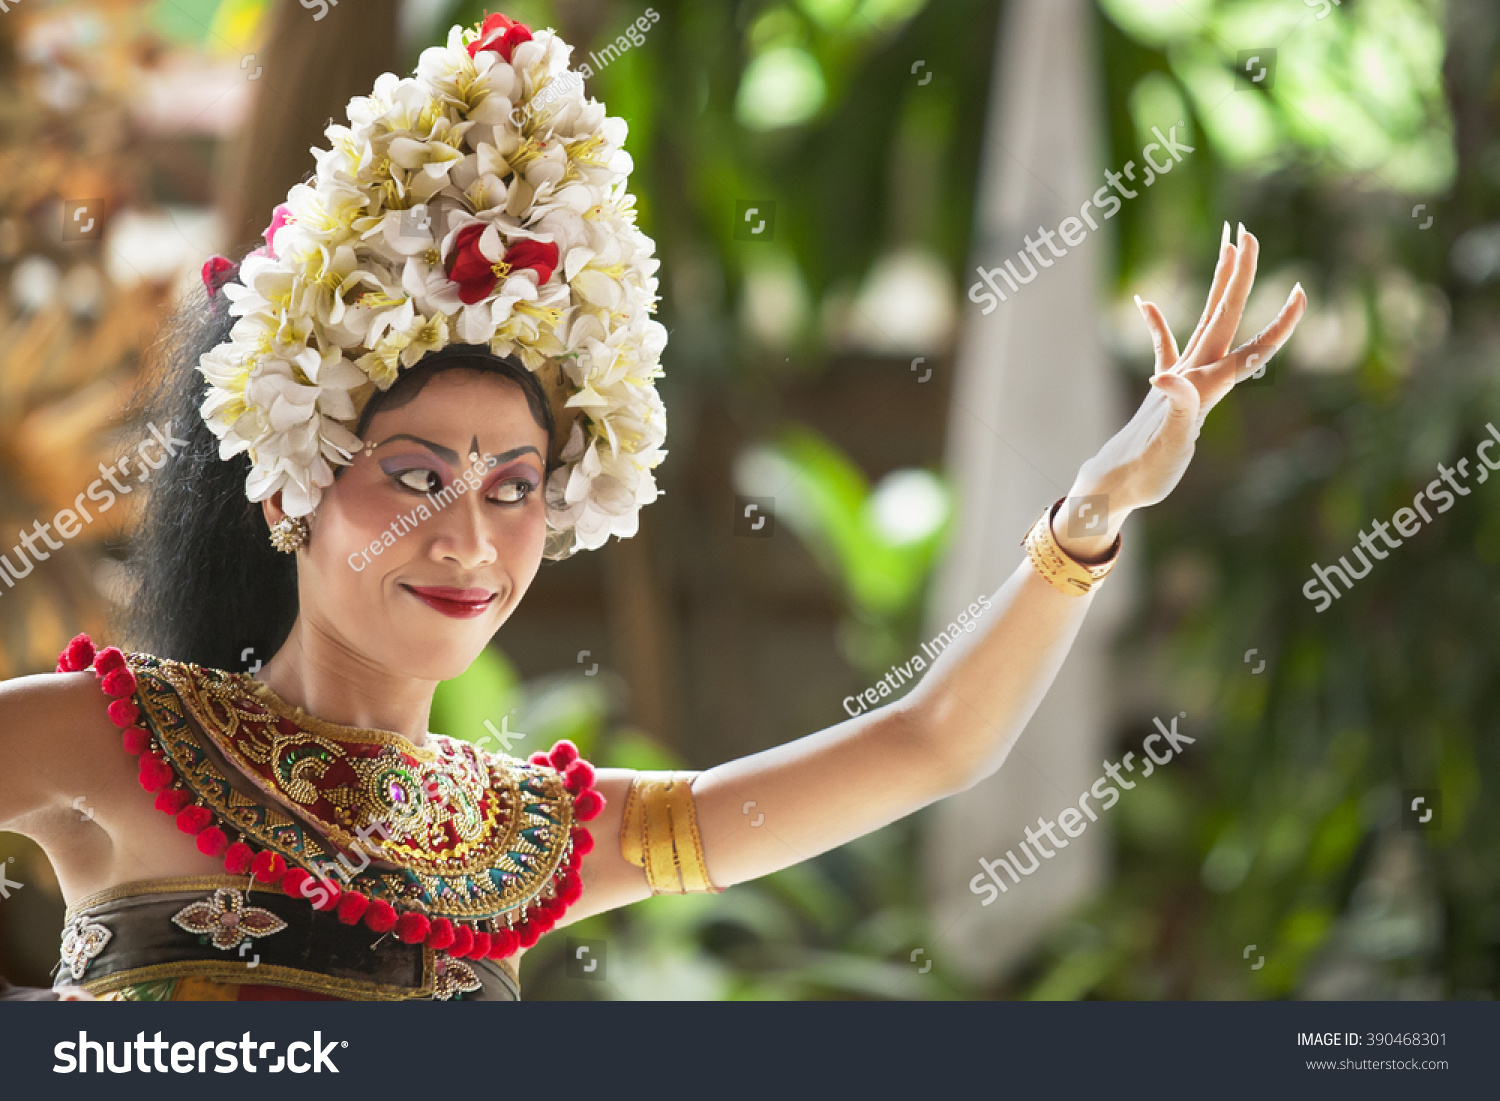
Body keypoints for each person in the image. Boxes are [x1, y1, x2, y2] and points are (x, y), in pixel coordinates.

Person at [0, 13, 1305, 1001]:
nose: (466, 534)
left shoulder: (534, 837)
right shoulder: (117, 745)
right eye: (414, 474)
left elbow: (928, 746)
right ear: (292, 485)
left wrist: (1089, 513)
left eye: (514, 485)